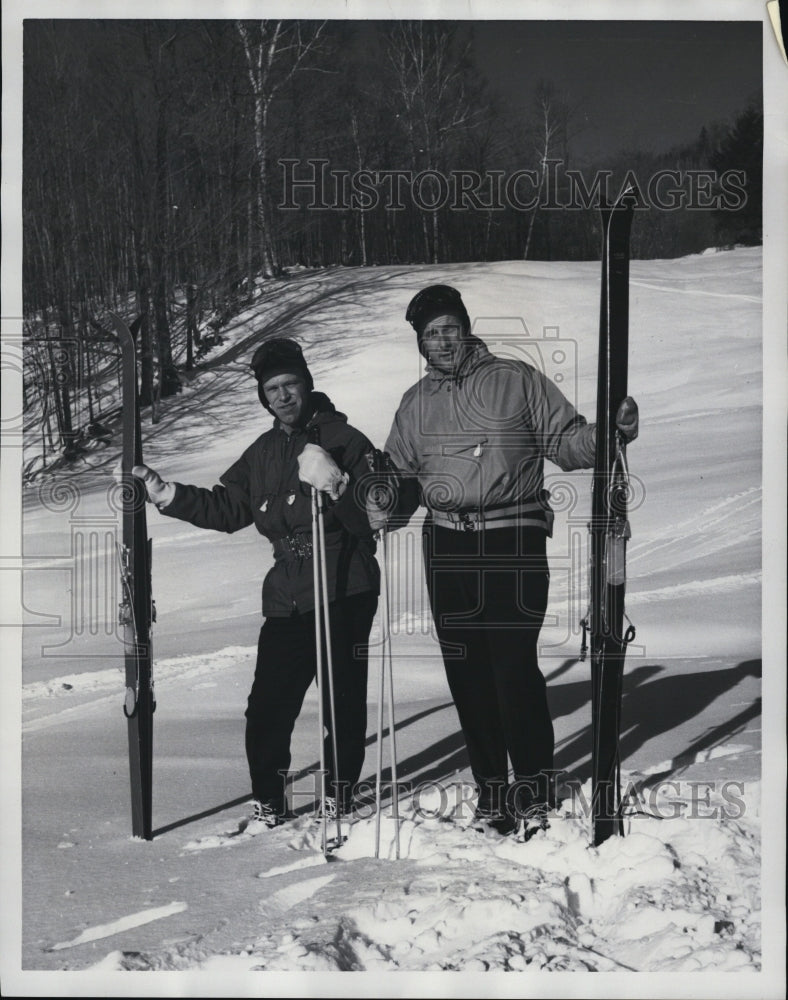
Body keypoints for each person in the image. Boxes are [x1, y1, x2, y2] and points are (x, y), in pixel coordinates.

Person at [367, 285, 639, 838]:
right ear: (419, 344)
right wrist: (381, 499)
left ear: (465, 328)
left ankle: (535, 788)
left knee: (511, 668)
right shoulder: (415, 403)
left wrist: (611, 432)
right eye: (429, 334)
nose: (440, 341)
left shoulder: (515, 380)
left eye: (448, 328)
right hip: (446, 545)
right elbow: (400, 481)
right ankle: (493, 793)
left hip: (512, 534)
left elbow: (566, 442)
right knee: (466, 674)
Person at [133, 338, 379, 827]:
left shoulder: (346, 440)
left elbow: (375, 520)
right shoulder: (263, 452)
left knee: (341, 701)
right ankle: (270, 799)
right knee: (267, 707)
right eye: (272, 389)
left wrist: (338, 486)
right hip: (286, 595)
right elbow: (228, 510)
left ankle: (340, 796)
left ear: (307, 384)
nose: (283, 396)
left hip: (342, 587)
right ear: (263, 397)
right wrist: (168, 494)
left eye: (290, 384)